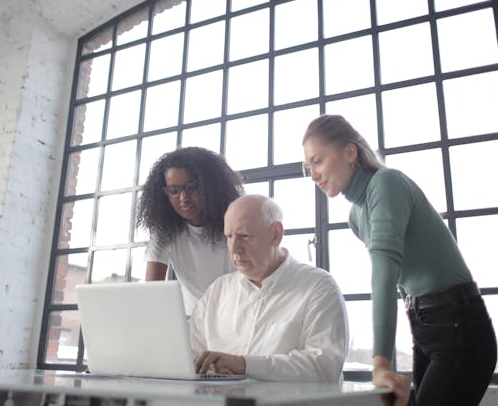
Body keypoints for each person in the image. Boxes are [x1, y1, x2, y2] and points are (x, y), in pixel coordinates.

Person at [302, 114, 497, 406]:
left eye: (318, 161)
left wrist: (381, 365)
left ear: (350, 152)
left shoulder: (386, 183)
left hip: (460, 325)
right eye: (308, 168)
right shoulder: (356, 217)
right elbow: (402, 287)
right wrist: (388, 366)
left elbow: (385, 274)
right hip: (424, 328)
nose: (313, 174)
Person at [190, 194, 349, 383]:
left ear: (276, 234)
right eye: (229, 236)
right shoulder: (217, 291)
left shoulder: (318, 287)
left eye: (245, 236)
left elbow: (324, 367)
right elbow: (187, 357)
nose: (234, 249)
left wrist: (244, 365)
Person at [137, 146, 243, 314]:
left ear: (211, 186)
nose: (183, 198)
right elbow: (152, 290)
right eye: (174, 190)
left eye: (192, 187)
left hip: (238, 316)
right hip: (194, 324)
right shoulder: (164, 231)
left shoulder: (235, 221)